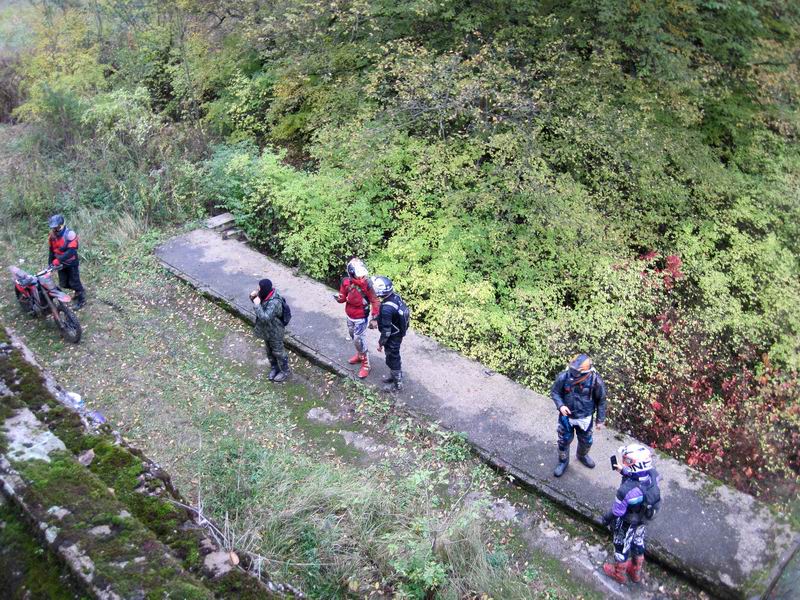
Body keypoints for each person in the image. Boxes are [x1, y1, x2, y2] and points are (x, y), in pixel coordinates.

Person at [602, 444, 662, 584]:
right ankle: (635, 571)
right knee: (638, 541)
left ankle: (619, 573)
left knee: (621, 545)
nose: (624, 463)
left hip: (627, 521)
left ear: (635, 465)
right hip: (643, 519)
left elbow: (616, 512)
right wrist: (625, 471)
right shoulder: (654, 475)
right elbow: (640, 480)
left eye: (627, 461)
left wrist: (605, 519)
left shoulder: (625, 491)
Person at [550, 353, 607, 477]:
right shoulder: (564, 377)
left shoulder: (595, 381)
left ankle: (582, 455)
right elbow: (555, 392)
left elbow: (601, 401)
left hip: (585, 417)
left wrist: (600, 420)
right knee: (563, 441)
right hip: (566, 417)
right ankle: (563, 462)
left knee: (586, 441)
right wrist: (561, 405)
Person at [335, 258, 380, 379]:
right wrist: (339, 298)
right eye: (359, 276)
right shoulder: (346, 282)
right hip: (350, 315)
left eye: (363, 275)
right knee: (352, 335)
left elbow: (375, 300)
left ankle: (366, 365)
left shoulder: (368, 284)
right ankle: (360, 355)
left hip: (361, 317)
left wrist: (374, 317)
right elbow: (343, 297)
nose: (362, 278)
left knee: (358, 340)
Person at [372, 276, 410, 392]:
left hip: (393, 337)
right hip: (398, 333)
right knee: (393, 357)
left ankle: (397, 385)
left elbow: (386, 331)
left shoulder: (386, 308)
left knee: (392, 358)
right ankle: (394, 376)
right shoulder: (395, 297)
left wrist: (380, 343)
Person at [250, 279, 290, 382]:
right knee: (269, 351)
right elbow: (259, 303)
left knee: (278, 352)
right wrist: (253, 297)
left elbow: (265, 317)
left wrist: (257, 305)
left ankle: (285, 371)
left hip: (275, 332)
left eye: (259, 288)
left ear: (265, 289)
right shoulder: (265, 294)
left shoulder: (274, 302)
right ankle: (275, 368)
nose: (258, 289)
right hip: (267, 330)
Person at [47, 214, 85, 309]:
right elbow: (51, 251)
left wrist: (57, 260)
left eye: (57, 227)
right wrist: (50, 264)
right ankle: (79, 289)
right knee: (63, 283)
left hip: (71, 263)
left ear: (62, 225)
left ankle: (81, 300)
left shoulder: (70, 234)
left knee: (74, 282)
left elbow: (71, 251)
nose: (55, 229)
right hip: (60, 264)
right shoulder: (52, 237)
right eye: (54, 228)